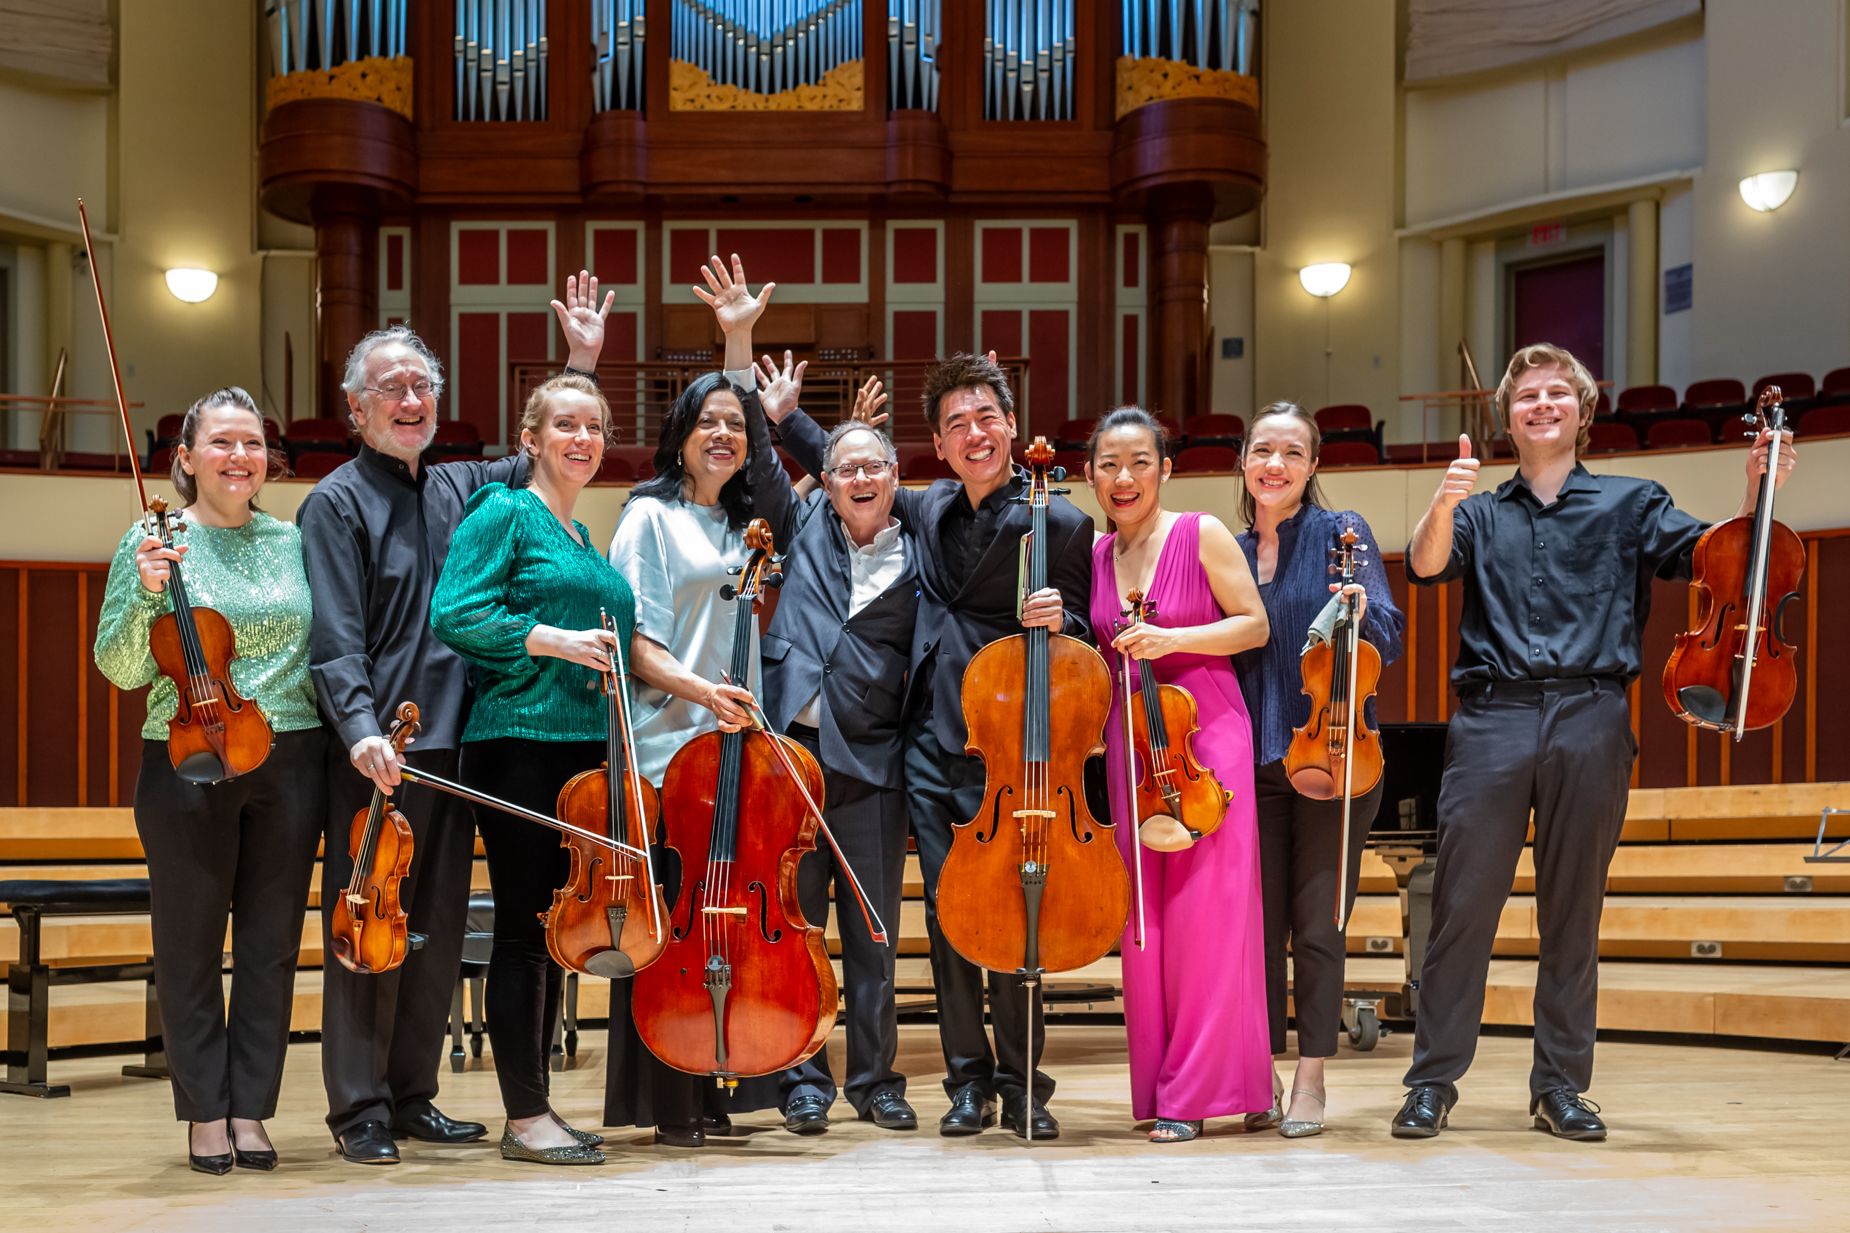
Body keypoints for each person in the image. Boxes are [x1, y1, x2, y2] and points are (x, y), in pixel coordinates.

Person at [1390, 343, 1797, 1142]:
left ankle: (1560, 1086)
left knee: (1572, 912)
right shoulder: (1477, 510)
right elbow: (1427, 566)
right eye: (1526, 397)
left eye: (1556, 393)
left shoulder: (1633, 500)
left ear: (1582, 409)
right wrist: (1442, 499)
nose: (1541, 405)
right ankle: (1433, 1081)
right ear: (1508, 418)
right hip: (1492, 718)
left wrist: (1758, 486)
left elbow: (1724, 562)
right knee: (1462, 909)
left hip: (1592, 713)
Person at [298, 273, 613, 1165]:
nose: (410, 399)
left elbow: (545, 452)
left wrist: (580, 359)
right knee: (371, 928)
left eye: (423, 386)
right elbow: (336, 635)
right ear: (355, 408)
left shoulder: (459, 489)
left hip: (458, 748)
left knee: (435, 931)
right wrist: (359, 727)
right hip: (381, 754)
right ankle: (358, 1105)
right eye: (391, 388)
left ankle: (411, 1094)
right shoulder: (335, 503)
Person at [766, 351, 1092, 1140]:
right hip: (929, 744)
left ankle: (1022, 1081)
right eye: (955, 424)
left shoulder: (1064, 521)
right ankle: (968, 1080)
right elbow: (853, 477)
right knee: (950, 927)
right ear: (939, 446)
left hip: (1016, 751)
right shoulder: (930, 507)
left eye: (986, 418)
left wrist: (1061, 619)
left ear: (1011, 426)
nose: (973, 433)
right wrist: (786, 420)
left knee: (1017, 922)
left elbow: (1086, 633)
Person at [431, 375, 753, 1164]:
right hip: (516, 741)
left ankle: (534, 1107)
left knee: (550, 930)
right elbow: (454, 611)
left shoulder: (580, 535)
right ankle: (525, 1116)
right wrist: (552, 639)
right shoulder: (502, 512)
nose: (583, 439)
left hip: (583, 749)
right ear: (531, 438)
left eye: (595, 427)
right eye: (565, 425)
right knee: (521, 930)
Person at [93, 388, 324, 1173]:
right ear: (185, 458)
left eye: (253, 444)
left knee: (270, 946)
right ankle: (203, 1111)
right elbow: (120, 667)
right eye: (221, 442)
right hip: (185, 755)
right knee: (190, 945)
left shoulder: (292, 539)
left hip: (288, 755)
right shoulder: (153, 540)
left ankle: (252, 1107)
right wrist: (150, 593)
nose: (239, 457)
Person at [602, 254, 793, 1147]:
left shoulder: (739, 523)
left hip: (718, 748)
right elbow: (634, 644)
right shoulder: (647, 517)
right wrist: (704, 690)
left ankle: (711, 1088)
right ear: (679, 433)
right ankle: (666, 1100)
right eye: (708, 421)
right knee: (668, 924)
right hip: (659, 741)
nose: (723, 433)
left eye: (736, 423)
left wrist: (739, 342)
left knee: (711, 915)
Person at [1082, 405, 1272, 1143]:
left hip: (1205, 741)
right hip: (1133, 744)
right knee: (1146, 927)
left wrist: (1172, 637)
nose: (1122, 477)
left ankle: (1194, 1094)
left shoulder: (1203, 534)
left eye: (1138, 462)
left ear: (1165, 469)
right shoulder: (1098, 555)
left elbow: (1252, 623)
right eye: (1108, 464)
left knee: (1209, 921)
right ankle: (1180, 1083)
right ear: (1092, 475)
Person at [749, 367, 918, 1135]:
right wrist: (777, 412)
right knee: (797, 927)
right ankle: (802, 1077)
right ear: (825, 477)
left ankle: (877, 1079)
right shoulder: (799, 520)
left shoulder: (922, 546)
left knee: (873, 932)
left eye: (873, 466)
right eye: (844, 466)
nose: (859, 476)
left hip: (873, 763)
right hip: (791, 756)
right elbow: (761, 458)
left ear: (894, 477)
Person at [1232, 402, 1404, 1138]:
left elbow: (1388, 637)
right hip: (1249, 760)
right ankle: (1263, 1067)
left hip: (1332, 752)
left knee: (1318, 921)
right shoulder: (1226, 549)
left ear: (1313, 465)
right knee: (1258, 928)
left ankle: (1312, 1075)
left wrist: (1364, 607)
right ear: (1243, 461)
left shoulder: (1345, 534)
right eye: (1263, 450)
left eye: (1292, 452)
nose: (1275, 464)